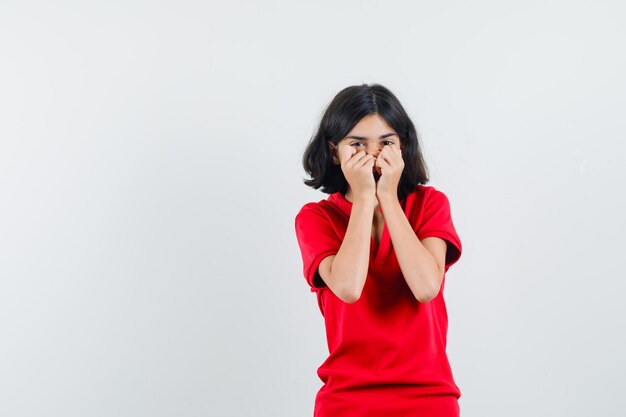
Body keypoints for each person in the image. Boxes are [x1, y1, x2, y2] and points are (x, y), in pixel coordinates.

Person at [294, 83, 464, 417]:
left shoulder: (430, 205)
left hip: (428, 397)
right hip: (346, 400)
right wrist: (363, 198)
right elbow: (347, 287)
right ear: (334, 151)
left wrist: (387, 196)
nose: (373, 155)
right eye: (357, 144)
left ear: (402, 148)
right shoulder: (316, 218)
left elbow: (427, 287)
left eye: (386, 143)